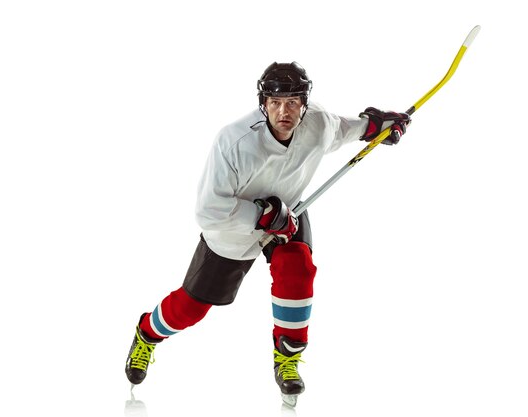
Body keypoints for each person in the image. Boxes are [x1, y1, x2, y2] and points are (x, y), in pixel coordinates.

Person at [124, 62, 410, 403]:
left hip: (289, 212)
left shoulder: (317, 123)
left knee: (298, 269)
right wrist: (261, 215)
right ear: (263, 102)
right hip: (232, 232)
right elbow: (208, 211)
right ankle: (147, 334)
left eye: (292, 102)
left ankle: (287, 359)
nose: (284, 111)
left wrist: (377, 127)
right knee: (192, 308)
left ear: (304, 103)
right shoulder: (235, 142)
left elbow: (347, 129)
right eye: (275, 102)